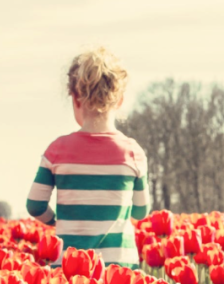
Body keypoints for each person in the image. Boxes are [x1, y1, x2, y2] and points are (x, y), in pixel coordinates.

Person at [26, 47, 150, 267]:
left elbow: (35, 205)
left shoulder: (57, 150)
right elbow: (141, 211)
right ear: (120, 100)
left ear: (75, 98)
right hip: (119, 265)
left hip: (69, 266)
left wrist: (57, 221)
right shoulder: (132, 152)